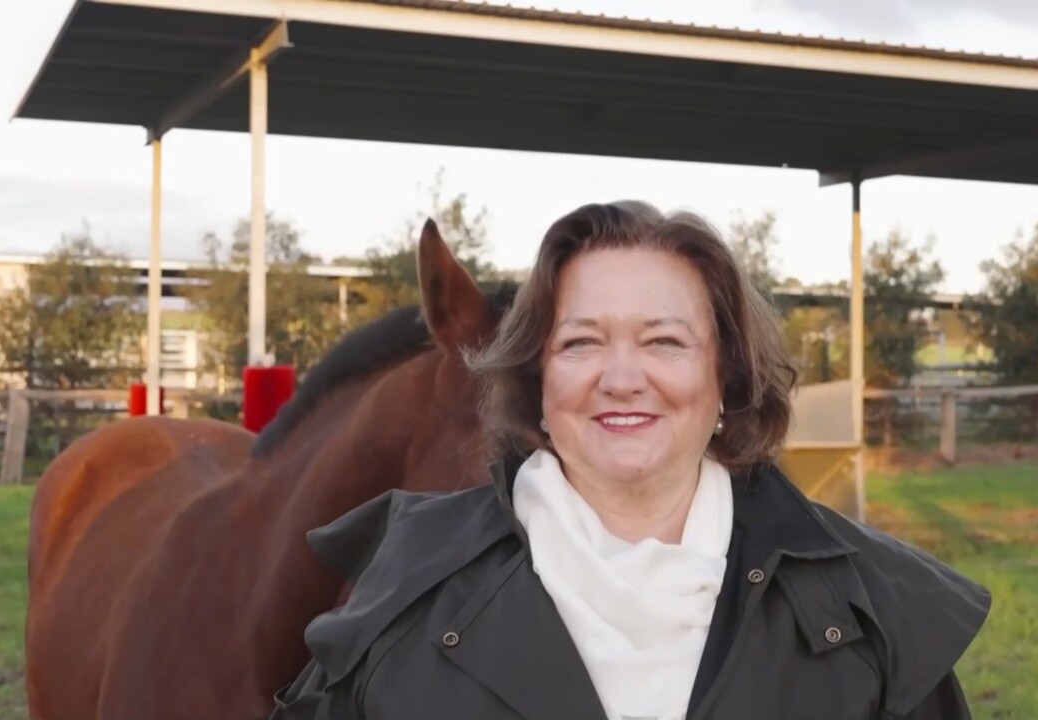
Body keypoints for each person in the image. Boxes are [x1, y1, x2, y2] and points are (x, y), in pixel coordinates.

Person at [269, 200, 991, 720]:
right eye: (581, 342)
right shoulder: (402, 597)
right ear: (536, 380)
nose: (621, 377)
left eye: (664, 342)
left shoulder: (872, 611)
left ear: (728, 379)